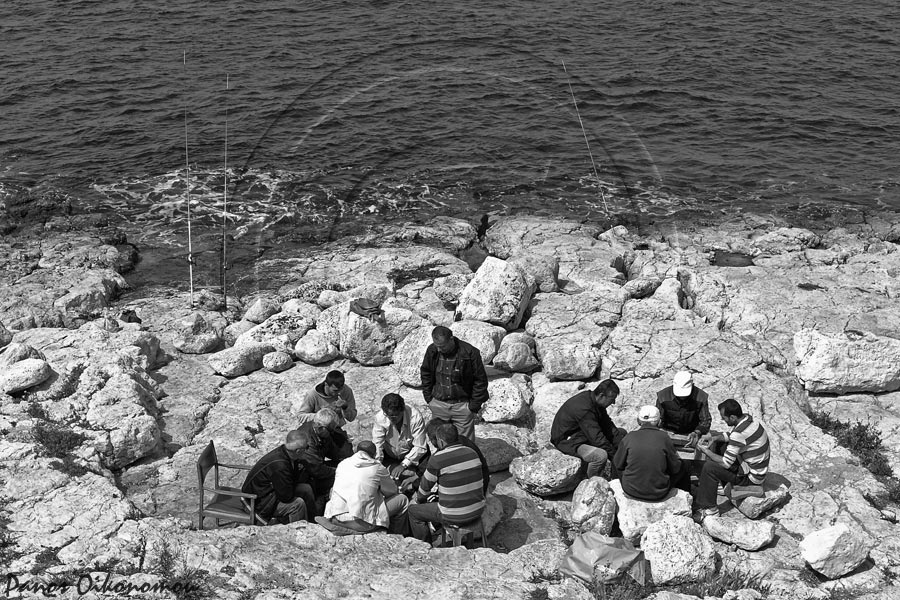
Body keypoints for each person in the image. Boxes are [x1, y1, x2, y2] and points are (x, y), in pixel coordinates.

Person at [408, 422, 487, 543]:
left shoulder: (437, 459)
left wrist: (419, 501)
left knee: (413, 511)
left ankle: (425, 547)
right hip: (478, 509)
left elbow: (423, 490)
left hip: (452, 516)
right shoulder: (472, 452)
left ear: (440, 441)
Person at [694, 399, 771, 521]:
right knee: (720, 443)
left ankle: (710, 509)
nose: (723, 420)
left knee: (709, 467)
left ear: (733, 417)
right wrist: (715, 438)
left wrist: (705, 451)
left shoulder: (739, 434)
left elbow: (726, 463)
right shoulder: (748, 421)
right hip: (753, 468)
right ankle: (719, 485)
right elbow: (733, 437)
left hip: (752, 478)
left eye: (724, 417)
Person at [321, 441, 409, 534]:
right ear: (374, 455)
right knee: (402, 500)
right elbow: (391, 492)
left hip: (334, 517)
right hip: (359, 523)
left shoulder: (343, 463)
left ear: (356, 451)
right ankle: (396, 535)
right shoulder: (377, 467)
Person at [420, 325, 488, 441]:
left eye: (442, 346)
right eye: (437, 346)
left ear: (451, 339)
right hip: (438, 404)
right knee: (439, 441)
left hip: (462, 406)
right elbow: (425, 373)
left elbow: (480, 380)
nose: (439, 350)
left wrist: (472, 407)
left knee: (465, 443)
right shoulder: (432, 350)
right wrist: (429, 399)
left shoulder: (470, 352)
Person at [550, 379, 627, 478]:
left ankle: (615, 477)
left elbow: (608, 426)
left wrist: (624, 449)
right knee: (600, 456)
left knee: (621, 433)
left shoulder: (595, 402)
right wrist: (616, 458)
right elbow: (596, 438)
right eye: (611, 399)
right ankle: (592, 482)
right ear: (601, 396)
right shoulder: (584, 409)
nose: (613, 402)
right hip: (567, 441)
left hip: (581, 433)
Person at [613, 406, 691, 501]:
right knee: (684, 465)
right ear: (659, 422)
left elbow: (618, 464)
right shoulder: (664, 437)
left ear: (638, 421)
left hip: (630, 490)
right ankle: (686, 499)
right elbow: (675, 468)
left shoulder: (629, 437)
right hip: (658, 493)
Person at [241, 430, 317, 524]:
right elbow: (285, 497)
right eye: (307, 448)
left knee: (306, 489)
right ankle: (297, 532)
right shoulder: (280, 466)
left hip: (271, 493)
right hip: (256, 502)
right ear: (298, 451)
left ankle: (312, 522)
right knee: (298, 504)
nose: (307, 450)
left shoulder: (287, 454)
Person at [296, 370, 357, 457]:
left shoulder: (346, 391)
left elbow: (351, 417)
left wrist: (345, 408)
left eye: (340, 389)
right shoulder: (312, 395)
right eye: (335, 390)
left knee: (346, 454)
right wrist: (324, 414)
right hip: (317, 430)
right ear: (326, 385)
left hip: (335, 429)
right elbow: (301, 416)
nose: (338, 393)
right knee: (314, 456)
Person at [372, 393, 428, 487]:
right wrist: (377, 466)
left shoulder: (415, 417)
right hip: (390, 455)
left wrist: (403, 464)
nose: (391, 418)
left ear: (402, 410)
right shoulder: (381, 417)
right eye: (389, 415)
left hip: (411, 454)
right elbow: (377, 444)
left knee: (418, 475)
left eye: (395, 415)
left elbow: (420, 446)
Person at [656, 370, 711, 448]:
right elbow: (658, 419)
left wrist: (696, 432)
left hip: (691, 434)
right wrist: (662, 430)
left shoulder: (701, 397)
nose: (682, 397)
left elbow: (705, 420)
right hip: (668, 433)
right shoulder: (663, 396)